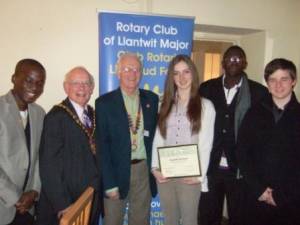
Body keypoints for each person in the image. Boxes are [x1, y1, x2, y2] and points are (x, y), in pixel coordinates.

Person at [198, 45, 269, 225]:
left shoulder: (258, 92)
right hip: (210, 167)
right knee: (207, 216)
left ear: (245, 63)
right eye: (230, 58)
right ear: (223, 63)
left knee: (240, 217)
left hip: (241, 170)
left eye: (238, 59)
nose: (234, 62)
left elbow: (263, 132)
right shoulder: (206, 88)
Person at [151, 55, 216, 225]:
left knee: (189, 221)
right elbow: (159, 138)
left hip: (190, 175)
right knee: (170, 220)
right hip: (165, 174)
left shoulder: (206, 106)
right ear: (171, 78)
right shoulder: (164, 104)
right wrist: (155, 168)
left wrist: (199, 175)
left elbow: (206, 144)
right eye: (176, 73)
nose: (182, 78)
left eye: (186, 72)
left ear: (193, 74)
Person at [95, 52, 158, 225]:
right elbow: (102, 147)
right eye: (127, 69)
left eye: (137, 70)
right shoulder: (103, 103)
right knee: (113, 221)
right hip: (115, 172)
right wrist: (109, 183)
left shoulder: (151, 100)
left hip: (143, 171)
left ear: (142, 73)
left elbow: (157, 137)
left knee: (140, 221)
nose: (132, 73)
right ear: (118, 73)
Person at [237, 58, 300, 225]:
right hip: (254, 197)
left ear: (293, 81)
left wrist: (281, 195)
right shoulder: (254, 113)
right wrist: (259, 189)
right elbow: (242, 153)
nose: (278, 85)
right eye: (273, 80)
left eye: (284, 79)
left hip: (290, 202)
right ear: (267, 83)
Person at [37, 67, 101, 225]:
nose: (82, 88)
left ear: (92, 88)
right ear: (66, 87)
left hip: (91, 198)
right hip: (68, 203)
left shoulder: (94, 114)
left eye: (86, 83)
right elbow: (48, 164)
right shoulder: (56, 117)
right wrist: (62, 204)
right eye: (76, 83)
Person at [0, 59, 46, 225]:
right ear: (14, 78)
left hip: (27, 207)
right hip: (4, 207)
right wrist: (16, 197)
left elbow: (41, 156)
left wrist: (34, 191)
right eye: (29, 80)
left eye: (40, 83)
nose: (35, 88)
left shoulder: (39, 113)